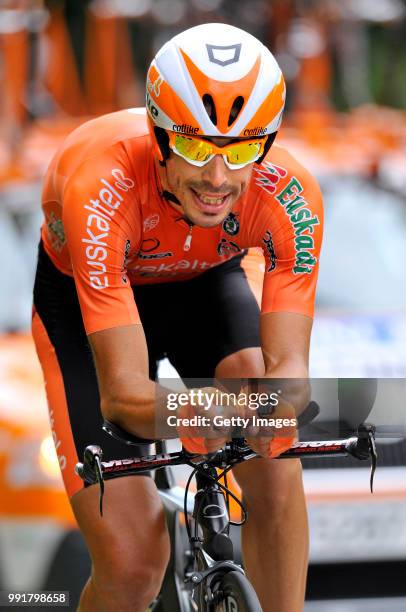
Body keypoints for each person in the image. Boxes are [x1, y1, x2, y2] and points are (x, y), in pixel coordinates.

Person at [32, 22, 323, 612]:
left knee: (277, 454)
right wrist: (197, 408)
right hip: (86, 307)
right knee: (135, 561)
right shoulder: (101, 185)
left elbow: (288, 378)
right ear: (159, 133)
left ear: (266, 145)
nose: (218, 179)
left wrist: (259, 407)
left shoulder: (291, 195)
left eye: (241, 150)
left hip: (203, 288)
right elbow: (122, 397)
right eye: (195, 147)